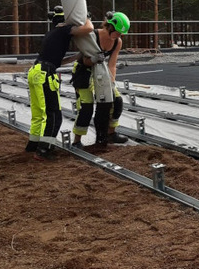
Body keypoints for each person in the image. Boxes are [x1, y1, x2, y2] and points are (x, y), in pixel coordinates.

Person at [26, 13, 94, 160]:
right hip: (44, 74)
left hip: (36, 71)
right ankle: (44, 150)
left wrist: (77, 56)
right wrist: (85, 16)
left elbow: (57, 61)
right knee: (54, 115)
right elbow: (88, 28)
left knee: (38, 114)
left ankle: (33, 145)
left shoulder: (52, 34)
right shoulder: (64, 30)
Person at [70, 11, 131, 148]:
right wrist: (93, 60)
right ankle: (77, 141)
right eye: (117, 32)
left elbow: (112, 64)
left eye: (121, 34)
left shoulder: (117, 42)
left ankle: (110, 134)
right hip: (83, 70)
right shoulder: (92, 36)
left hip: (102, 72)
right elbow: (83, 60)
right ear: (109, 26)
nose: (118, 36)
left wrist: (112, 83)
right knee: (86, 106)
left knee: (116, 101)